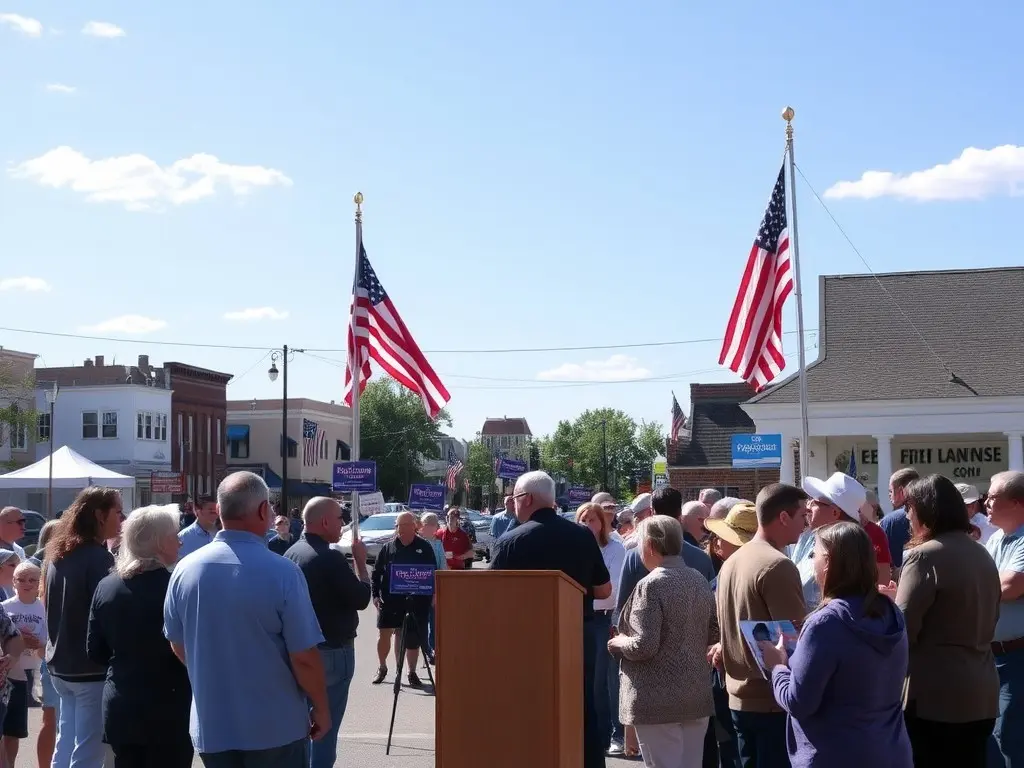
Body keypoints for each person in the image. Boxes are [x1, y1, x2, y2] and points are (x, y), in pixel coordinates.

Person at [164, 471, 329, 767]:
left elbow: (178, 643)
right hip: (275, 728)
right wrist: (321, 707)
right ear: (264, 510)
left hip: (212, 727)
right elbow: (304, 656)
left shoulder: (184, 569)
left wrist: (217, 674)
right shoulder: (283, 572)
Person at [759, 521, 911, 768]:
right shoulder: (891, 612)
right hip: (890, 753)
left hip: (835, 755)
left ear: (828, 561)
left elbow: (798, 702)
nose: (812, 562)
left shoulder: (825, 624)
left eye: (813, 555)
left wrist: (777, 667)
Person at [490, 471, 611, 768]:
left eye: (514, 499)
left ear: (528, 499)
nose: (513, 505)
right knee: (581, 711)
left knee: (529, 715)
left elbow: (487, 599)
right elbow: (604, 588)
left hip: (524, 645)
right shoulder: (582, 534)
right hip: (575, 638)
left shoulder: (510, 542)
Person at [893, 474, 999, 767]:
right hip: (981, 692)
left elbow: (902, 630)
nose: (906, 516)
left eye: (909, 508)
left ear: (924, 510)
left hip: (935, 699)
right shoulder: (981, 553)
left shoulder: (923, 557)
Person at [87, 504, 193, 768]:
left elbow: (95, 650)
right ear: (157, 542)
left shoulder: (107, 586)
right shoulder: (177, 587)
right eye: (174, 536)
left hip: (122, 703)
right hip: (169, 707)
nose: (179, 542)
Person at [711, 483, 808, 768]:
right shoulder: (777, 564)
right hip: (772, 700)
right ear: (783, 518)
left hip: (738, 696)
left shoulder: (732, 560)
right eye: (802, 515)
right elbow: (796, 640)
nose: (806, 523)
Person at [609, 516, 717, 768]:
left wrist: (618, 642)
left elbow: (644, 646)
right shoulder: (698, 579)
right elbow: (713, 634)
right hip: (695, 695)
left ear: (649, 545)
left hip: (657, 700)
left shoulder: (650, 585)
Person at [285, 497, 371, 768]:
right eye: (339, 519)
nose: (342, 524)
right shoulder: (329, 557)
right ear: (324, 522)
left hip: (300, 649)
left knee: (303, 725)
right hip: (332, 651)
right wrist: (361, 564)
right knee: (325, 727)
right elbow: (361, 598)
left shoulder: (293, 552)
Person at [45, 486, 123, 768]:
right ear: (100, 515)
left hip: (61, 663)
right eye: (117, 511)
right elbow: (106, 614)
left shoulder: (60, 554)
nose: (122, 518)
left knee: (66, 740)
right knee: (88, 747)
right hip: (88, 667)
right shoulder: (98, 558)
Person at [576, 502, 627, 757]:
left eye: (593, 520)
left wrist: (579, 595)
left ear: (602, 523)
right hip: (576, 618)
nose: (588, 524)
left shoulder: (615, 549)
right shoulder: (575, 548)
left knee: (602, 683)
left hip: (602, 621)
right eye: (583, 519)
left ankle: (610, 735)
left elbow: (611, 593)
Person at [982, 470, 1024, 765]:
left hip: (1017, 658)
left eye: (993, 496)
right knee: (993, 740)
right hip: (989, 659)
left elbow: (1009, 586)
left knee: (1010, 740)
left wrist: (974, 586)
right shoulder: (996, 539)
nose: (985, 502)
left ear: (1017, 503)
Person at [370, 512, 436, 687]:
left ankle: (411, 672)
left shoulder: (425, 547)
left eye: (405, 526)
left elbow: (432, 574)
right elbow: (376, 573)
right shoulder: (388, 548)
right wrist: (375, 595)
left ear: (413, 526)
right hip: (390, 601)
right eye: (398, 526)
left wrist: (434, 595)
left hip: (417, 601)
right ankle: (382, 667)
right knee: (384, 634)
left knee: (412, 638)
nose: (400, 530)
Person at [792, 473, 867, 610]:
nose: (808, 506)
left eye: (816, 501)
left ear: (834, 513)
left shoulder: (848, 553)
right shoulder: (807, 537)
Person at [2, 560, 44, 766]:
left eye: (33, 579)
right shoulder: (5, 607)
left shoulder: (43, 608)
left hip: (29, 671)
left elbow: (48, 641)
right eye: (21, 579)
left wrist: (37, 644)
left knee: (14, 730)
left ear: (40, 583)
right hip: (8, 673)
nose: (27, 583)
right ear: (13, 583)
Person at [32, 519, 60, 768]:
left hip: (51, 650)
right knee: (52, 718)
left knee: (52, 718)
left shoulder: (47, 567)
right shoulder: (44, 568)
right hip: (52, 651)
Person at [879, 468, 920, 569]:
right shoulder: (933, 515)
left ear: (901, 491)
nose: (889, 495)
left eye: (891, 491)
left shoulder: (890, 521)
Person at [176, 495, 219, 560]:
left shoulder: (221, 534)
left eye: (217, 511)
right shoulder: (183, 538)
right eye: (211, 511)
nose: (215, 514)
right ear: (198, 511)